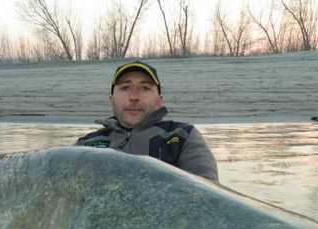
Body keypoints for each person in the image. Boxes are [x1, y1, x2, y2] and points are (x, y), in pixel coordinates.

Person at [75, 61, 218, 181]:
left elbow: (209, 197)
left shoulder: (183, 136)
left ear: (159, 101)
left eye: (145, 88)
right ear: (111, 101)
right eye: (125, 88)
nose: (134, 97)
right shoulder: (85, 145)